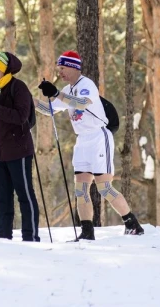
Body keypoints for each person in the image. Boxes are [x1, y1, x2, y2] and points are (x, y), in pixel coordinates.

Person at [35, 50, 144, 240]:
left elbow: (82, 104)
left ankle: (132, 224)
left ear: (73, 67)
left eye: (62, 68)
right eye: (58, 68)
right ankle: (87, 231)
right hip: (82, 140)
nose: (60, 72)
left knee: (104, 188)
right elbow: (49, 110)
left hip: (98, 137)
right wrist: (30, 102)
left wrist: (57, 93)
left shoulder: (86, 84)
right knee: (80, 189)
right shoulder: (67, 89)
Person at [0, 51, 40, 242]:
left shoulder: (17, 87)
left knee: (24, 194)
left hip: (19, 149)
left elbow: (21, 117)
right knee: (2, 198)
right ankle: (4, 237)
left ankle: (30, 236)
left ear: (3, 69)